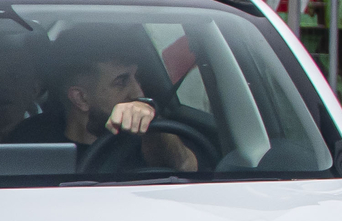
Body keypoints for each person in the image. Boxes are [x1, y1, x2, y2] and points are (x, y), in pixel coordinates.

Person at [5, 26, 199, 172]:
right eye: (121, 81)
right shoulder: (31, 138)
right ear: (81, 98)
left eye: (136, 77)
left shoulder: (144, 140)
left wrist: (152, 124)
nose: (138, 93)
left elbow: (184, 166)